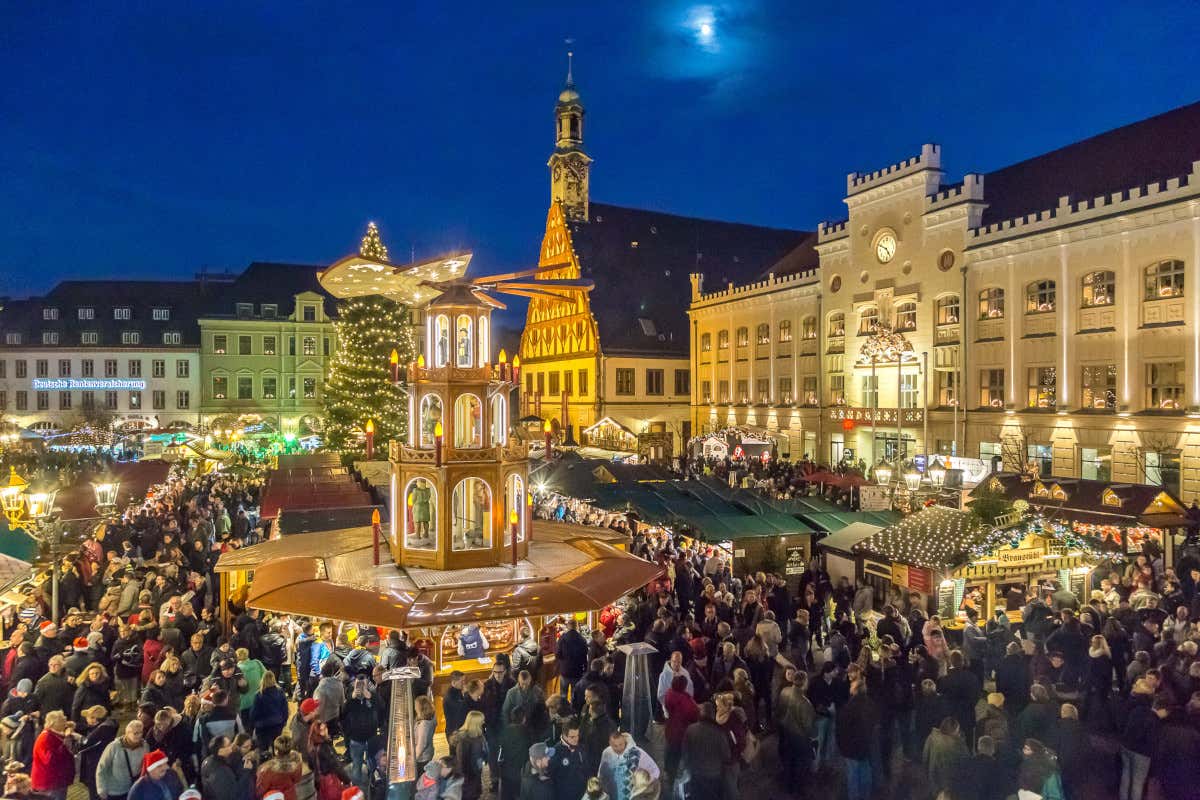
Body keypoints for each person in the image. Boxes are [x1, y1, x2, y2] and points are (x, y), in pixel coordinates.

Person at [597, 731, 660, 800]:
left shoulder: (637, 753)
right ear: (610, 743)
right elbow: (602, 772)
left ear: (624, 740)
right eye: (615, 746)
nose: (618, 748)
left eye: (621, 744)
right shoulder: (606, 753)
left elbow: (655, 770)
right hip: (612, 795)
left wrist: (643, 787)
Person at [96, 720, 149, 800]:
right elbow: (102, 768)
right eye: (135, 733)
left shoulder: (145, 746)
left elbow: (145, 766)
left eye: (141, 732)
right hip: (114, 791)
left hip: (132, 789)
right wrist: (101, 789)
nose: (139, 736)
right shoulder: (114, 746)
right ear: (127, 733)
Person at [30, 711, 76, 800]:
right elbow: (50, 760)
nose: (65, 723)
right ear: (54, 723)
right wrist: (66, 740)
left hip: (57, 782)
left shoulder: (55, 734)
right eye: (62, 721)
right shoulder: (45, 738)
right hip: (50, 784)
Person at [76, 706, 118, 800]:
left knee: (95, 793)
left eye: (89, 717)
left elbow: (84, 744)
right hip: (101, 765)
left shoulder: (100, 731)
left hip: (94, 766)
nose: (86, 719)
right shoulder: (107, 727)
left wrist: (77, 737)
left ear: (95, 719)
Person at [494, 707, 531, 800]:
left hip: (506, 771)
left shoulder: (505, 730)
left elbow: (499, 748)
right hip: (521, 772)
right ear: (524, 718)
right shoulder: (527, 732)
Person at [448, 710, 486, 800]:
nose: (484, 722)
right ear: (476, 724)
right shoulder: (476, 741)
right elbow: (476, 762)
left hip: (463, 777)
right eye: (482, 721)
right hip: (471, 778)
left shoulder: (462, 737)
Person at [256, 735, 303, 800]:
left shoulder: (269, 769)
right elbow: (297, 779)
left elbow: (260, 790)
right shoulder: (296, 763)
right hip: (291, 796)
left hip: (275, 797)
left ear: (276, 751)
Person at [251, 669, 288, 751]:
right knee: (277, 748)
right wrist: (284, 721)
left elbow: (254, 713)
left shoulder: (258, 695)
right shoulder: (280, 692)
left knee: (263, 750)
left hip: (262, 727)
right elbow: (285, 709)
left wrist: (254, 723)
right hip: (277, 724)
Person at [413, 696, 436, 780]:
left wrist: (414, 759)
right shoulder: (431, 717)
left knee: (422, 779)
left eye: (416, 705)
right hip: (427, 752)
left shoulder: (424, 724)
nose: (415, 707)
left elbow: (421, 744)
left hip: (422, 757)